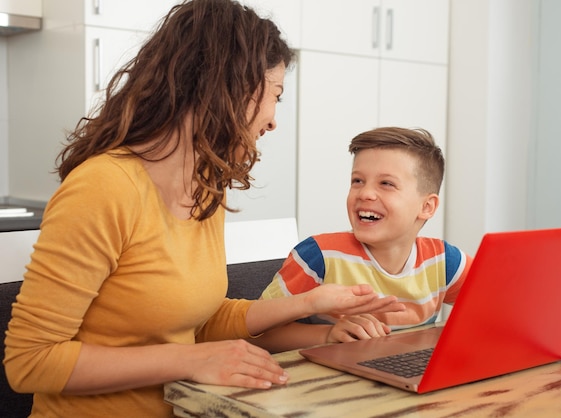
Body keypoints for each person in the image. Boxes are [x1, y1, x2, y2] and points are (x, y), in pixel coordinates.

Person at [2, 1, 405, 417]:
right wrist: (192, 360)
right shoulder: (104, 187)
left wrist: (312, 308)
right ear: (229, 87)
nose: (272, 121)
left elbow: (199, 320)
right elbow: (30, 362)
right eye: (275, 97)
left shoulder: (206, 189)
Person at [252, 127, 473, 353]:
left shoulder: (445, 261)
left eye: (386, 183)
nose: (365, 193)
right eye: (357, 180)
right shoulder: (319, 256)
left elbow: (498, 306)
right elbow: (255, 334)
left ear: (426, 207)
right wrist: (327, 334)